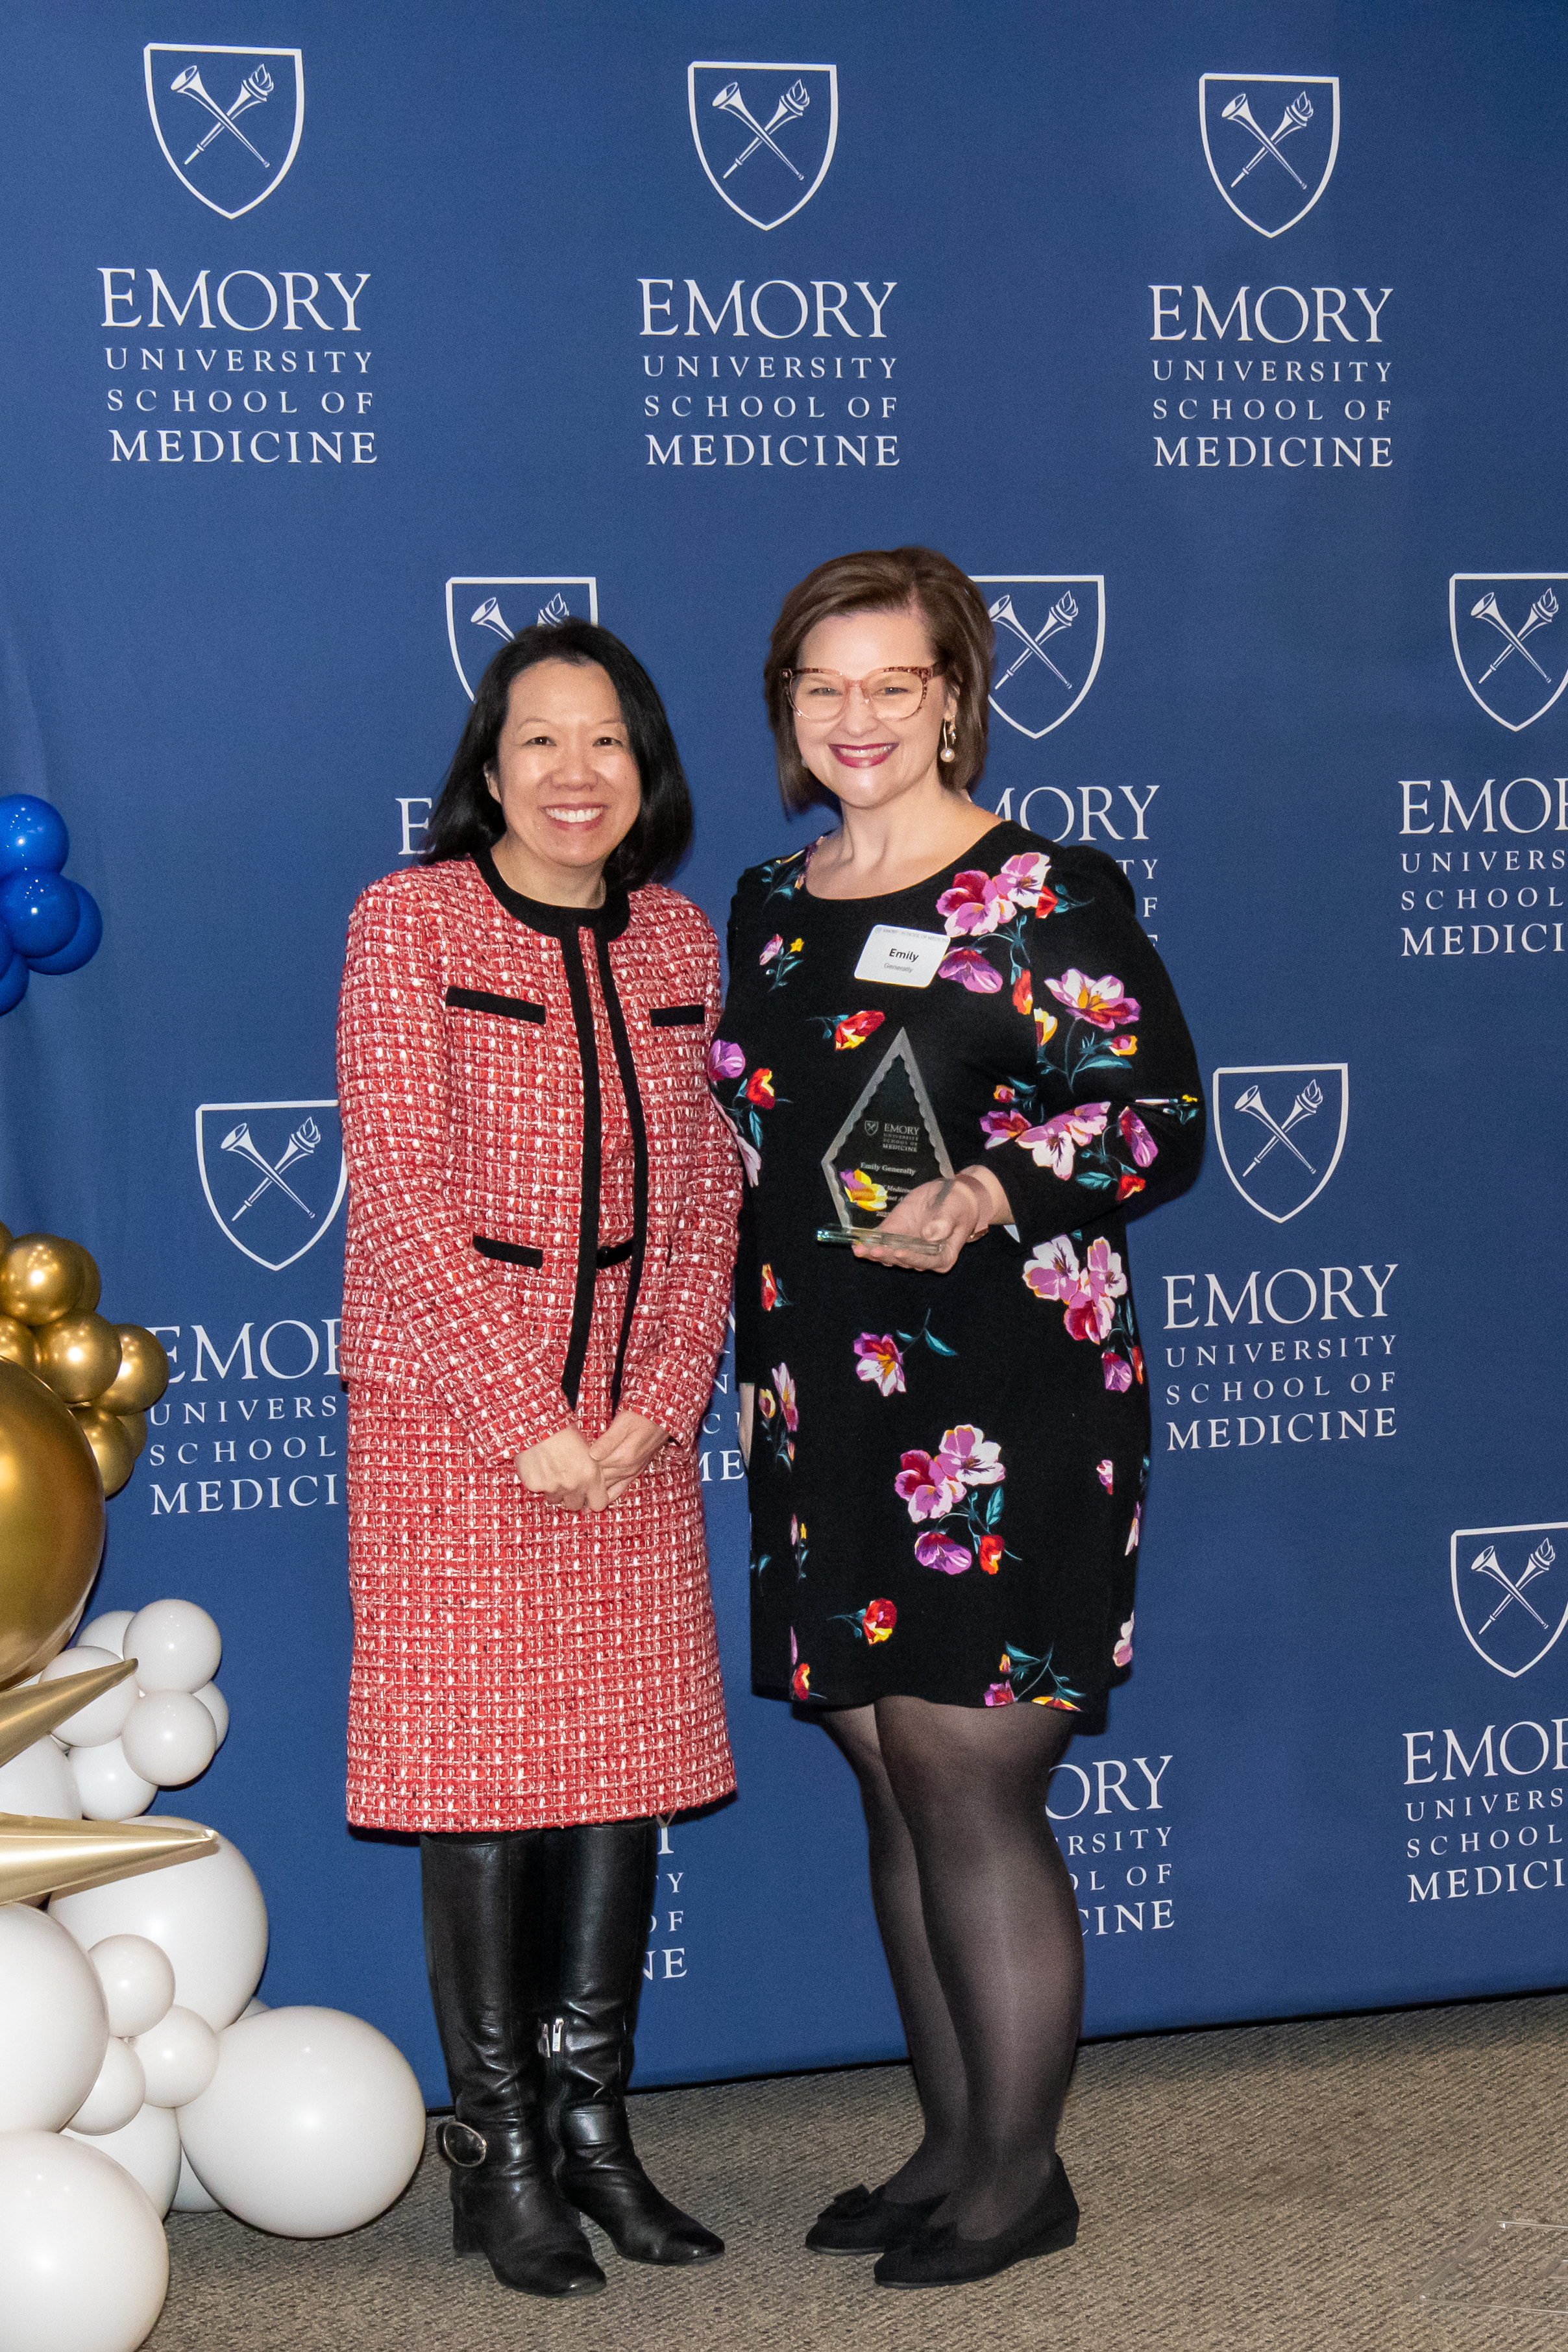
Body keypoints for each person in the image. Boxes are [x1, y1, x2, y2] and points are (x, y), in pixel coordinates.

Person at [717, 547, 1203, 2288]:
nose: (855, 717)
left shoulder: (1040, 889)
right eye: (819, 687)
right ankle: (948, 2139)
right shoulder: (770, 900)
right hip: (823, 1396)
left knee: (969, 1781)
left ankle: (1022, 2178)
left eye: (889, 684)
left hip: (1001, 1394)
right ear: (789, 709)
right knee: (888, 1780)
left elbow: (1156, 1119)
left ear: (953, 696)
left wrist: (996, 1188)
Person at [337, 618, 741, 2297]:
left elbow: (714, 1191)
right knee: (482, 1789)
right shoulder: (406, 921)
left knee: (621, 1787)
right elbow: (408, 1197)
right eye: (539, 744)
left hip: (634, 1435)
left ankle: (596, 2135)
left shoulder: (676, 940)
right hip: (458, 1430)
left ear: (645, 773)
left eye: (607, 746)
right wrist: (532, 1425)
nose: (576, 776)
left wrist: (655, 1401)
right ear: (485, 769)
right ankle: (499, 2152)